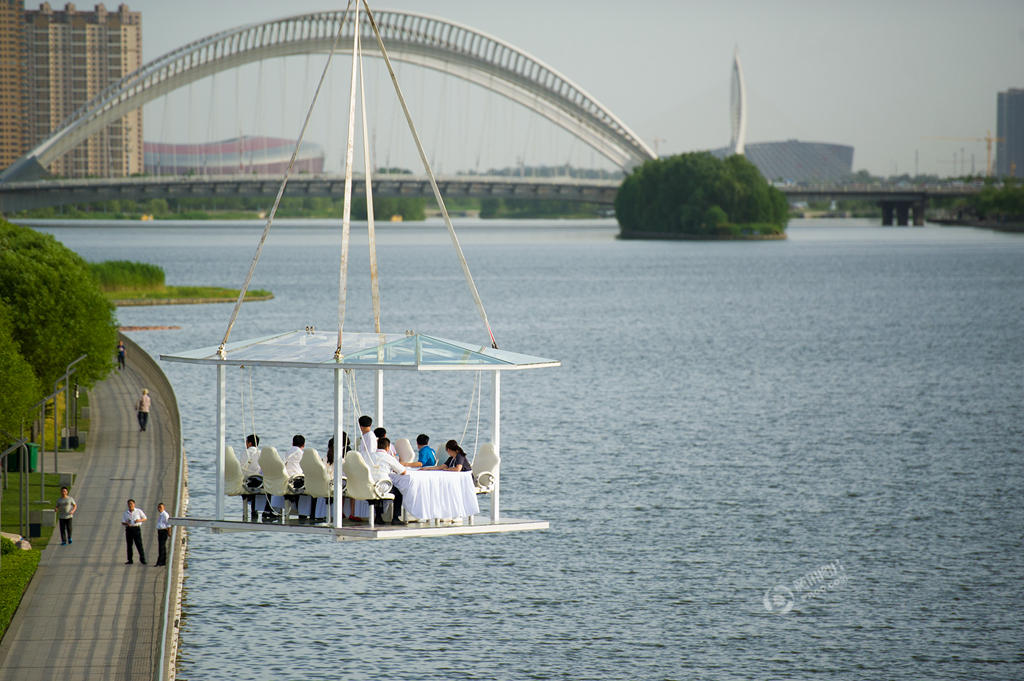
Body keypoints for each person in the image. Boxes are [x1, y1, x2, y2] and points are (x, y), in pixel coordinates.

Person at [367, 436, 408, 525]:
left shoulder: (369, 456)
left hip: (369, 485)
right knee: (399, 493)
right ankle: (395, 518)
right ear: (388, 447)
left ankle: (378, 516)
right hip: (382, 485)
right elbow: (403, 471)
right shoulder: (388, 457)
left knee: (377, 493)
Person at [283, 434, 306, 520]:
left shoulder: (287, 453)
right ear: (303, 445)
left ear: (292, 443)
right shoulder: (302, 454)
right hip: (298, 480)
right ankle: (303, 512)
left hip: (287, 480)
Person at [240, 434, 262, 520]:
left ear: (249, 443)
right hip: (258, 480)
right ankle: (255, 510)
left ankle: (249, 511)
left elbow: (241, 466)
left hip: (246, 481)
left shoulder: (244, 452)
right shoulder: (260, 453)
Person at [122, 499, 147, 564]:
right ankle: (130, 560)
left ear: (134, 504)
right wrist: (127, 523)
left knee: (139, 544)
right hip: (129, 529)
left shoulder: (138, 511)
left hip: (136, 528)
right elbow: (123, 522)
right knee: (129, 545)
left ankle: (142, 559)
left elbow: (145, 518)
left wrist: (139, 520)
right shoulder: (126, 513)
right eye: (129, 504)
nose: (130, 505)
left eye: (131, 504)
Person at [155, 502, 170, 567]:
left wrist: (169, 532)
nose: (159, 509)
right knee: (162, 546)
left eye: (160, 507)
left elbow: (168, 524)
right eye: (158, 507)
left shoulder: (165, 515)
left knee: (161, 546)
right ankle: (163, 561)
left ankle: (160, 562)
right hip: (160, 531)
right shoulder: (161, 515)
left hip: (164, 531)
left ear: (163, 508)